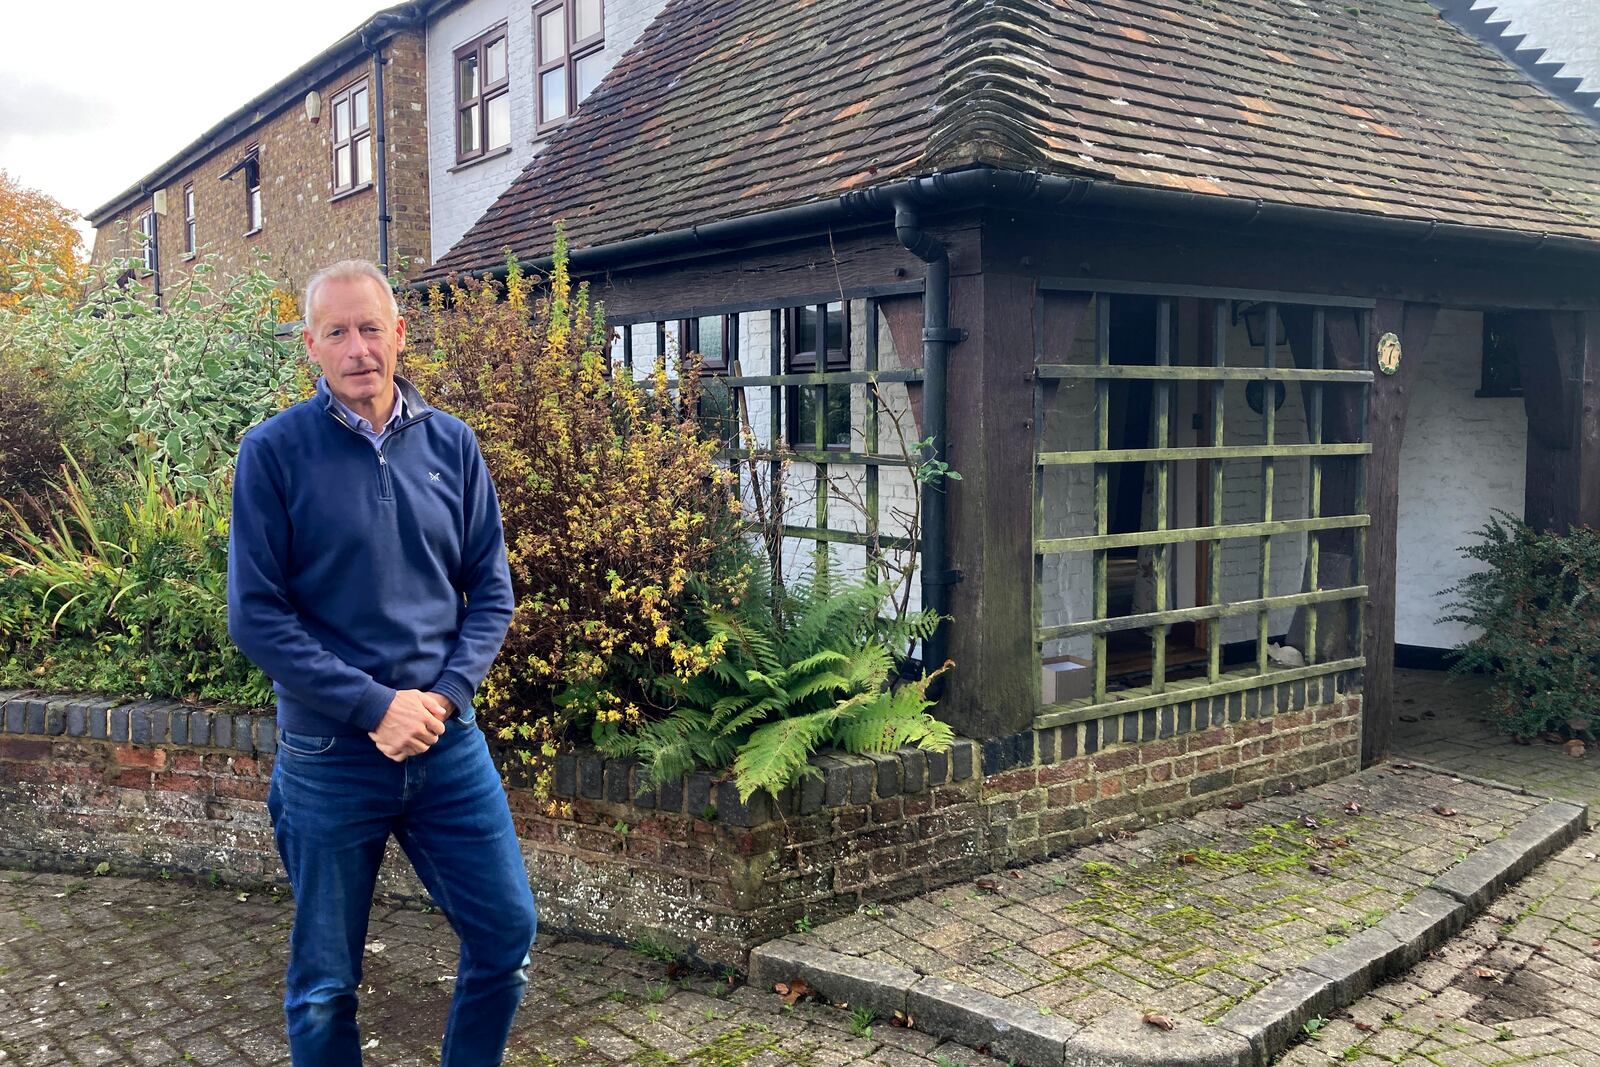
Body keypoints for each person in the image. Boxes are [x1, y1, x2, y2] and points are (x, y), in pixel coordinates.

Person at [227, 259, 535, 1066]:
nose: (358, 348)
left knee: (507, 934)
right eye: (338, 332)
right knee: (326, 984)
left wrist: (444, 694)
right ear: (311, 347)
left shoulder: (452, 444)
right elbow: (256, 617)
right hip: (331, 755)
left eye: (371, 328)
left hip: (448, 741)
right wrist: (375, 706)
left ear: (400, 334)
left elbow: (490, 592)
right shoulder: (273, 454)